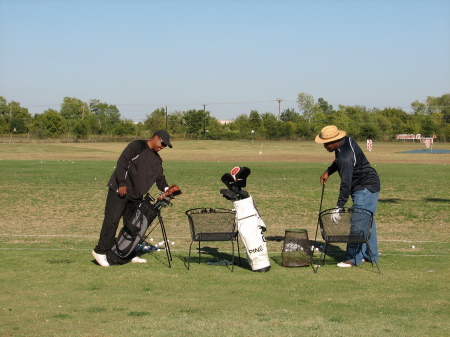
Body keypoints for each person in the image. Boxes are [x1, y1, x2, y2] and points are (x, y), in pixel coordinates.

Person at [92, 130, 173, 267]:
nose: (163, 147)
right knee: (112, 221)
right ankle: (100, 251)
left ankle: (127, 253)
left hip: (136, 196)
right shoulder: (137, 146)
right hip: (120, 191)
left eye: (166, 145)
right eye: (162, 143)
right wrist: (122, 183)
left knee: (132, 226)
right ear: (155, 138)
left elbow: (159, 178)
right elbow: (122, 163)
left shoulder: (157, 160)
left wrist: (167, 190)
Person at [315, 125, 380, 268]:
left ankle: (353, 258)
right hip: (368, 184)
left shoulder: (346, 155)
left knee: (358, 221)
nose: (325, 146)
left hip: (364, 187)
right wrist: (328, 171)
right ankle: (371, 256)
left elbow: (346, 183)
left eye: (327, 144)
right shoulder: (346, 141)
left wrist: (339, 207)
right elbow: (338, 162)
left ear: (335, 140)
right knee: (367, 221)